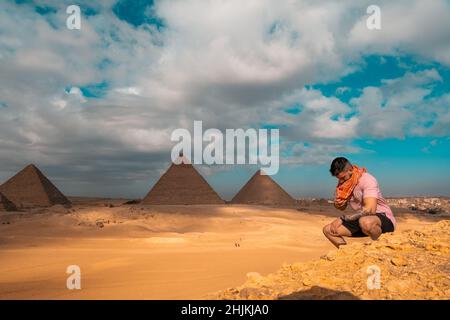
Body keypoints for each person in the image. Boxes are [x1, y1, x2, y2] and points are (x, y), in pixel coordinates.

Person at [323, 157, 396, 248]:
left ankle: (380, 248)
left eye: (343, 178)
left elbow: (370, 210)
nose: (341, 181)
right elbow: (342, 208)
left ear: (350, 170)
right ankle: (346, 254)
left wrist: (343, 219)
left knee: (366, 222)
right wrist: (338, 202)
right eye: (339, 179)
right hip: (361, 219)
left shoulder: (367, 179)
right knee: (328, 230)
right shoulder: (345, 185)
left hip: (382, 219)